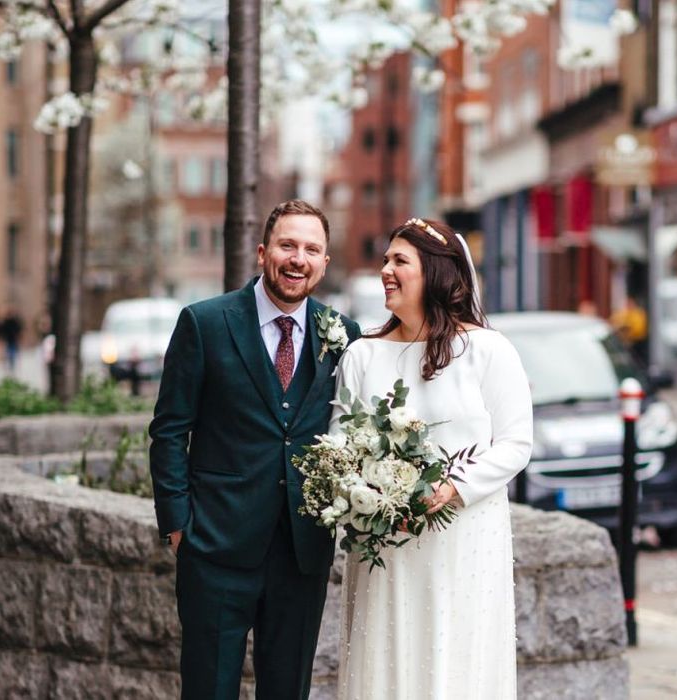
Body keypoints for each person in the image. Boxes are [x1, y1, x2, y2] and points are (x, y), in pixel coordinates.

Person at [149, 199, 361, 700]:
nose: (298, 259)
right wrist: (180, 528)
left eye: (312, 249)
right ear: (263, 252)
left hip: (301, 553)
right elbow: (168, 432)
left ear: (324, 262)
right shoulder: (204, 323)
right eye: (288, 245)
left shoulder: (344, 336)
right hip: (215, 548)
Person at [331, 218, 533, 699]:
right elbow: (340, 446)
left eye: (400, 260)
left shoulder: (486, 350)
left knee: (458, 661)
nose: (386, 270)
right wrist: (371, 496)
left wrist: (453, 488)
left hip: (463, 539)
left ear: (437, 273)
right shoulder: (361, 355)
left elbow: (516, 442)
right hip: (386, 544)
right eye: (385, 260)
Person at [610, 295, 649, 364]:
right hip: (632, 340)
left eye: (629, 303)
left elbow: (636, 326)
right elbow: (616, 322)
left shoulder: (637, 313)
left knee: (638, 357)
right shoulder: (627, 313)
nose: (627, 305)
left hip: (639, 340)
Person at [0, 306, 23, 374]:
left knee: (12, 352)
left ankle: (12, 364)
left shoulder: (13, 322)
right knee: (9, 352)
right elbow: (1, 330)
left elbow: (18, 329)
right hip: (8, 339)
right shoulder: (5, 322)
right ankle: (10, 364)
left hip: (12, 339)